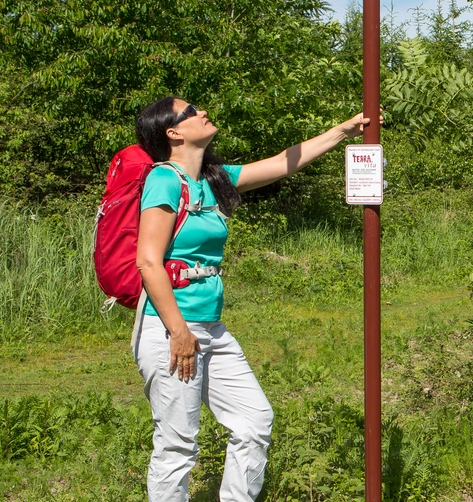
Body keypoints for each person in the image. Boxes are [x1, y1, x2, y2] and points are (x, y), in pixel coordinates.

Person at [132, 96, 373, 501]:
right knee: (177, 444)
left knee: (254, 419)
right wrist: (179, 332)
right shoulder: (164, 180)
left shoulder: (212, 179)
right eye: (190, 112)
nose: (202, 112)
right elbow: (148, 262)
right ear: (173, 133)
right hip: (171, 329)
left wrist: (341, 132)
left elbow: (283, 162)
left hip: (211, 328)